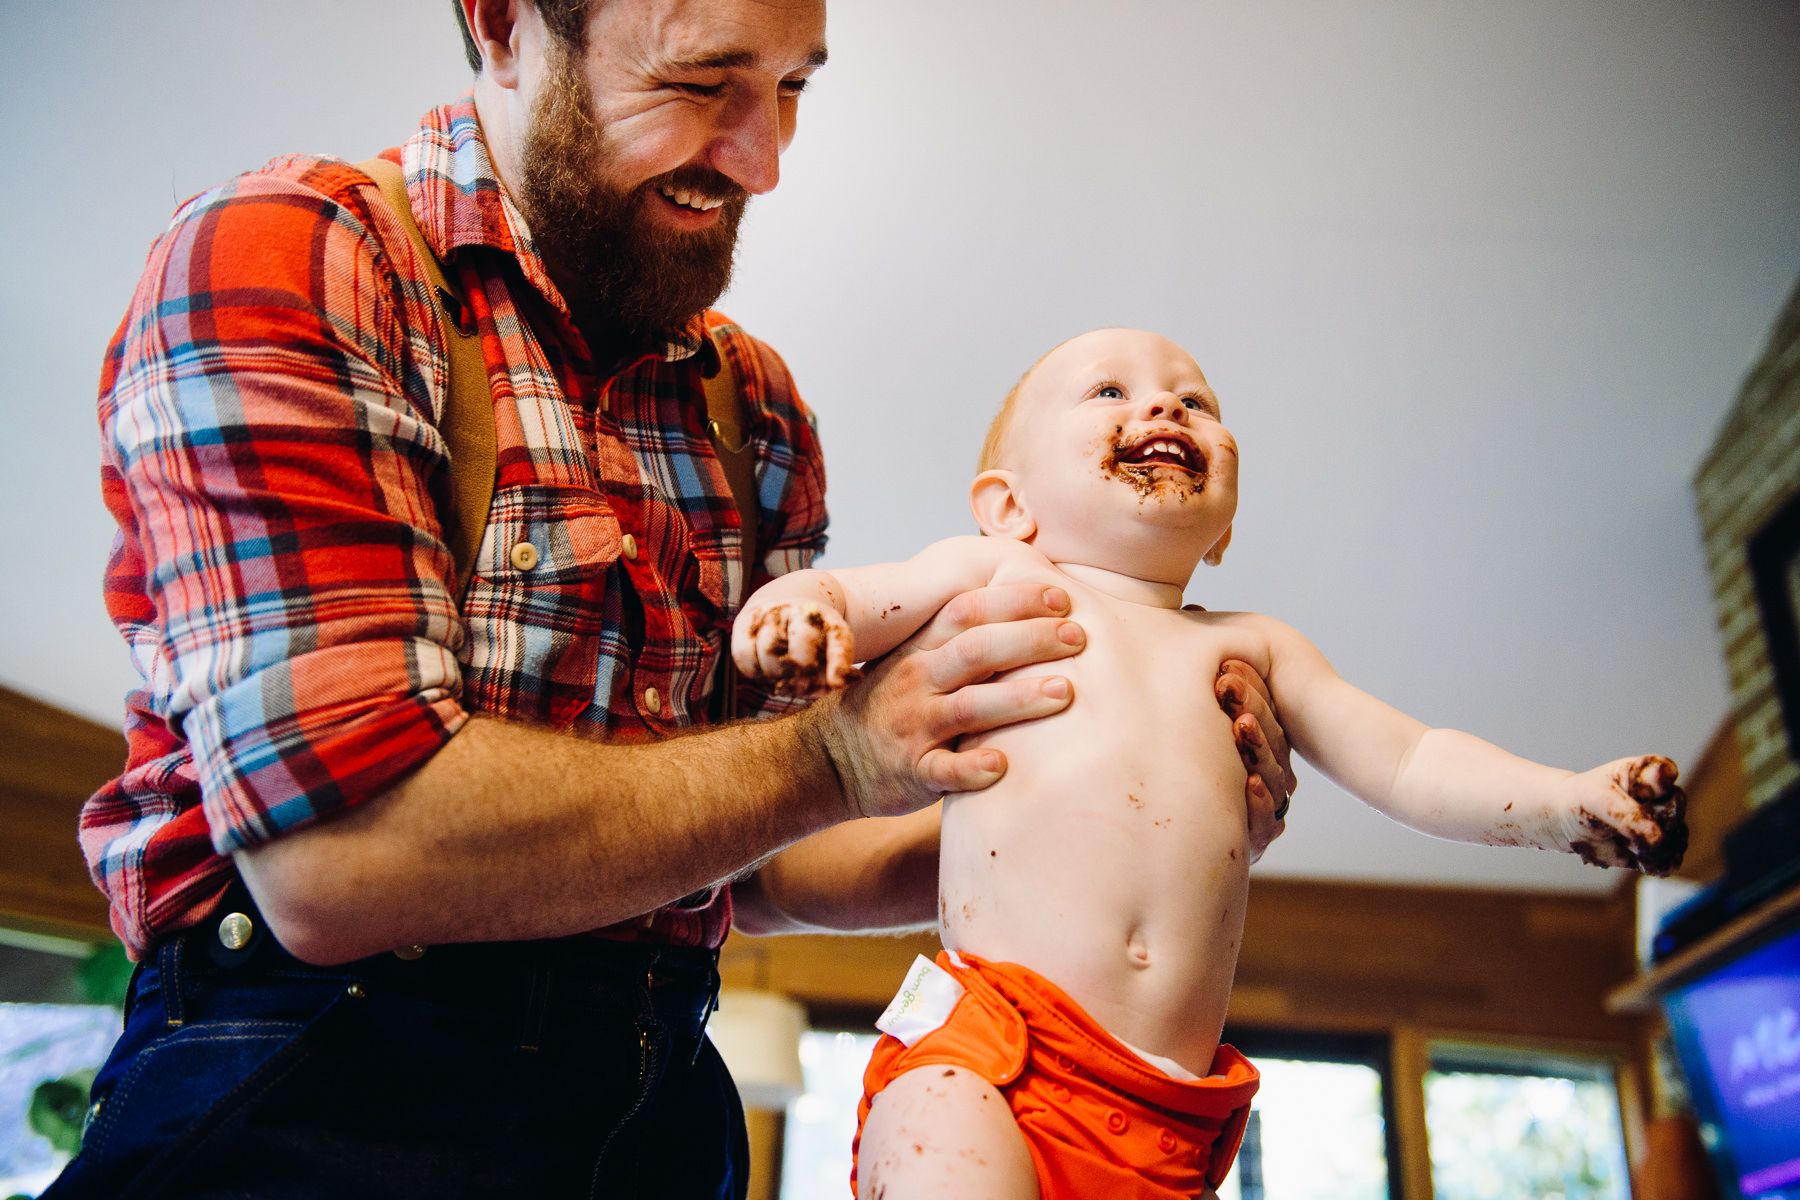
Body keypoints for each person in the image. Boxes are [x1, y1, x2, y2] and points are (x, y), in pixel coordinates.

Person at [53, 5, 1293, 1198]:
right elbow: (340, 860)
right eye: (704, 81)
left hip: (656, 1110)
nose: (760, 159)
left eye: (793, 88)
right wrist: (842, 752)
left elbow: (757, 858)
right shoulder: (299, 252)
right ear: (500, 24)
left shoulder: (751, 408)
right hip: (308, 1096)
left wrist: (1122, 828)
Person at [730, 326, 1690, 1200]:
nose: (1164, 407)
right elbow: (858, 592)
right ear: (1007, 507)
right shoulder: (998, 580)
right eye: (1109, 391)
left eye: (1196, 401)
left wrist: (1567, 804)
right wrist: (796, 615)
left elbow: (1408, 761)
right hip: (989, 1053)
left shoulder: (1255, 647)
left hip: (1166, 1112)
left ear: (1223, 530)